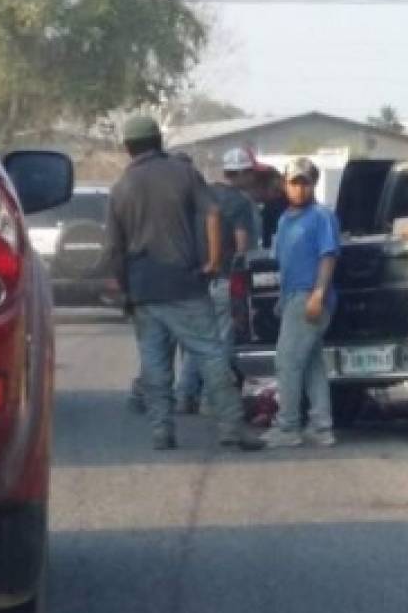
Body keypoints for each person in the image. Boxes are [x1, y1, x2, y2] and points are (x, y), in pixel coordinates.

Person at [105, 116, 263, 451]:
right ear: (159, 140)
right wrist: (214, 261)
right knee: (211, 354)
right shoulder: (184, 173)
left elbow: (114, 250)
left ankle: (162, 432)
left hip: (144, 289)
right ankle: (231, 429)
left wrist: (126, 290)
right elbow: (214, 214)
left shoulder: (121, 188)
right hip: (185, 285)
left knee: (154, 364)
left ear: (128, 148)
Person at [261, 157, 341, 448]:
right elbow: (285, 264)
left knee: (287, 363)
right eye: (294, 182)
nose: (299, 189)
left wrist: (318, 295)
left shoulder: (321, 217)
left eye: (304, 182)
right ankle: (321, 427)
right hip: (293, 297)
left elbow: (328, 256)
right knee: (311, 365)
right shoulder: (284, 220)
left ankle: (288, 427)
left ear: (313, 185)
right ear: (285, 184)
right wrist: (283, 300)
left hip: (310, 296)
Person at [174, 152, 258, 414]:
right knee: (221, 344)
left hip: (197, 281)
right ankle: (213, 401)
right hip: (225, 280)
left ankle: (185, 396)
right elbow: (242, 244)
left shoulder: (203, 195)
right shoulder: (240, 203)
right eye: (250, 172)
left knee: (197, 342)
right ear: (244, 173)